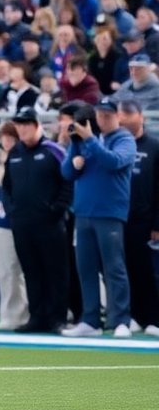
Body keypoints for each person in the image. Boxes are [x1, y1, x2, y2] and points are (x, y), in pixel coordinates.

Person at [60, 99, 136, 338]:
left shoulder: (124, 139)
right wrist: (75, 148)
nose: (102, 119)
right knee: (86, 267)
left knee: (114, 267)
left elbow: (113, 161)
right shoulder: (84, 141)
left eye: (107, 115)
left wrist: (90, 140)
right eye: (100, 115)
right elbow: (66, 173)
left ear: (117, 117)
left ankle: (120, 319)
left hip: (109, 213)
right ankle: (91, 320)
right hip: (84, 213)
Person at [2, 106, 73, 333]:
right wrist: (11, 210)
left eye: (26, 124)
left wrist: (57, 209)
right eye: (19, 124)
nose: (21, 129)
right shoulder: (14, 153)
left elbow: (68, 181)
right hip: (22, 223)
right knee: (31, 271)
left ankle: (57, 317)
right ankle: (37, 316)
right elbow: (6, 187)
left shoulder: (53, 150)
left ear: (36, 125)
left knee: (55, 271)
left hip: (50, 223)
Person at [117, 99, 159, 336]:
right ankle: (134, 315)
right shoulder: (118, 145)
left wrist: (157, 223)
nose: (124, 120)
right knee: (126, 269)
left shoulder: (154, 146)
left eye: (129, 115)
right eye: (122, 116)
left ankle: (154, 317)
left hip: (146, 220)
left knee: (149, 271)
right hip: (122, 217)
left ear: (140, 116)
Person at [0, 121, 29, 330]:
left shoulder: (21, 158)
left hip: (16, 220)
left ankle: (20, 313)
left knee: (18, 269)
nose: (5, 141)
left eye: (9, 137)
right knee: (4, 270)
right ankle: (8, 312)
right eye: (3, 137)